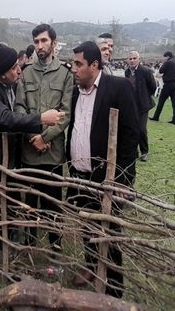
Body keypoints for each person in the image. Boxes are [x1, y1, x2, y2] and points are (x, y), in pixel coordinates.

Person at [66, 41, 139, 298]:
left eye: (78, 64)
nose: (73, 68)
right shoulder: (76, 91)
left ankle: (114, 288)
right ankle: (91, 267)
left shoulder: (118, 88)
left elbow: (131, 135)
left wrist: (122, 178)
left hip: (106, 178)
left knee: (109, 232)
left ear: (94, 65)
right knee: (87, 226)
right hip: (79, 174)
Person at [0, 45, 64, 260]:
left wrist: (40, 136)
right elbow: (5, 118)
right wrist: (41, 119)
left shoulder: (11, 84)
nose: (19, 70)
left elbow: (20, 110)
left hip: (14, 153)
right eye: (15, 67)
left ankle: (13, 233)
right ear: (2, 71)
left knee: (14, 196)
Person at [15, 24, 73, 251]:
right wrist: (33, 136)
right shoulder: (25, 73)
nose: (40, 46)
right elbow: (19, 108)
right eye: (36, 41)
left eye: (44, 41)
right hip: (29, 153)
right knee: (29, 204)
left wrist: (45, 137)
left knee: (52, 205)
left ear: (54, 43)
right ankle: (29, 245)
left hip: (52, 154)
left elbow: (66, 114)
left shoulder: (65, 74)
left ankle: (54, 247)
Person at [124, 51, 157, 161]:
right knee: (132, 129)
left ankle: (144, 151)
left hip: (143, 105)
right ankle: (134, 151)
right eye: (130, 58)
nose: (132, 60)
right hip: (131, 105)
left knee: (142, 129)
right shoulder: (127, 72)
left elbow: (153, 86)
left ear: (139, 59)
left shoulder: (145, 71)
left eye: (134, 58)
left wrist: (145, 96)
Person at [149, 51, 175, 124]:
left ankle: (156, 117)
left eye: (164, 57)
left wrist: (163, 65)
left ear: (167, 56)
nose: (163, 59)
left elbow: (161, 71)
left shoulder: (168, 62)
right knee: (174, 102)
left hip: (168, 84)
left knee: (161, 101)